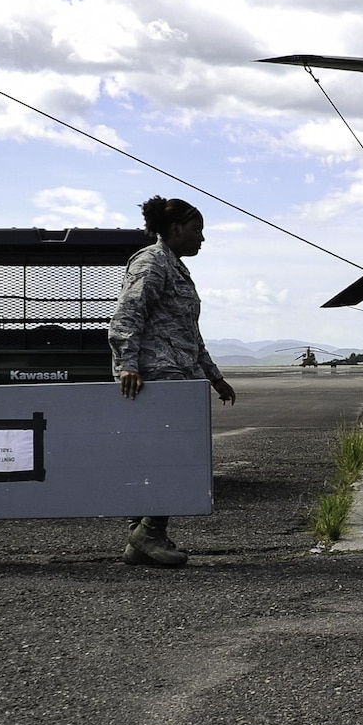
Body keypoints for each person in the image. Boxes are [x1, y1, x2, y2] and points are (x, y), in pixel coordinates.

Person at [109, 196, 236, 567]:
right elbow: (126, 315)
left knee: (159, 456)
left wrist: (215, 377)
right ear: (176, 228)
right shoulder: (151, 262)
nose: (202, 238)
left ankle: (143, 538)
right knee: (169, 457)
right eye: (197, 230)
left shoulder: (174, 267)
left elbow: (188, 333)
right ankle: (148, 531)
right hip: (154, 379)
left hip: (178, 377)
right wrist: (127, 365)